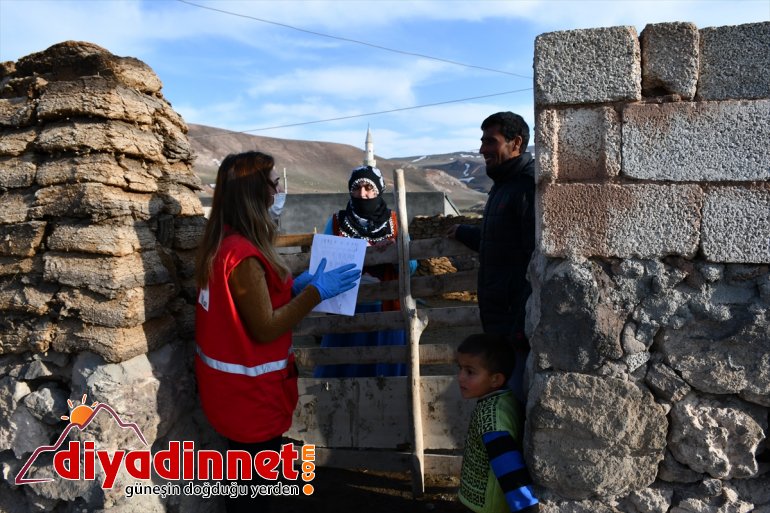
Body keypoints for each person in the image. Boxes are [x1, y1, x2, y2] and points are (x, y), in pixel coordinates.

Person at [194, 151, 360, 513]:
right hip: (251, 401)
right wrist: (316, 292)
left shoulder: (223, 242)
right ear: (255, 193)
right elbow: (266, 327)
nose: (277, 190)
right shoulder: (244, 255)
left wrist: (294, 288)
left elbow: (250, 303)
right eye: (272, 184)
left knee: (242, 482)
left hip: (229, 396)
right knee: (256, 493)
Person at [447, 112, 535, 403]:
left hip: (516, 328)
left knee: (515, 402)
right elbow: (497, 242)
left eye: (490, 141)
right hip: (502, 325)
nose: (483, 149)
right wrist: (461, 231)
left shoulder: (526, 187)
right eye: (482, 141)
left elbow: (532, 260)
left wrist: (519, 328)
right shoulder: (504, 186)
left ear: (516, 143)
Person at [313, 165, 414, 377]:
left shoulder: (395, 223)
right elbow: (324, 260)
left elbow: (412, 266)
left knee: (386, 372)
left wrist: (394, 253)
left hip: (386, 309)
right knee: (342, 371)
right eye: (357, 188)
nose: (363, 194)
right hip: (346, 309)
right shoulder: (337, 222)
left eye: (369, 188)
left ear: (379, 190)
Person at [456, 333, 539, 513]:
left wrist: (527, 507)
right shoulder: (503, 399)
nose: (460, 377)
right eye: (460, 368)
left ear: (495, 379)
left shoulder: (492, 419)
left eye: (470, 371)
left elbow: (509, 468)